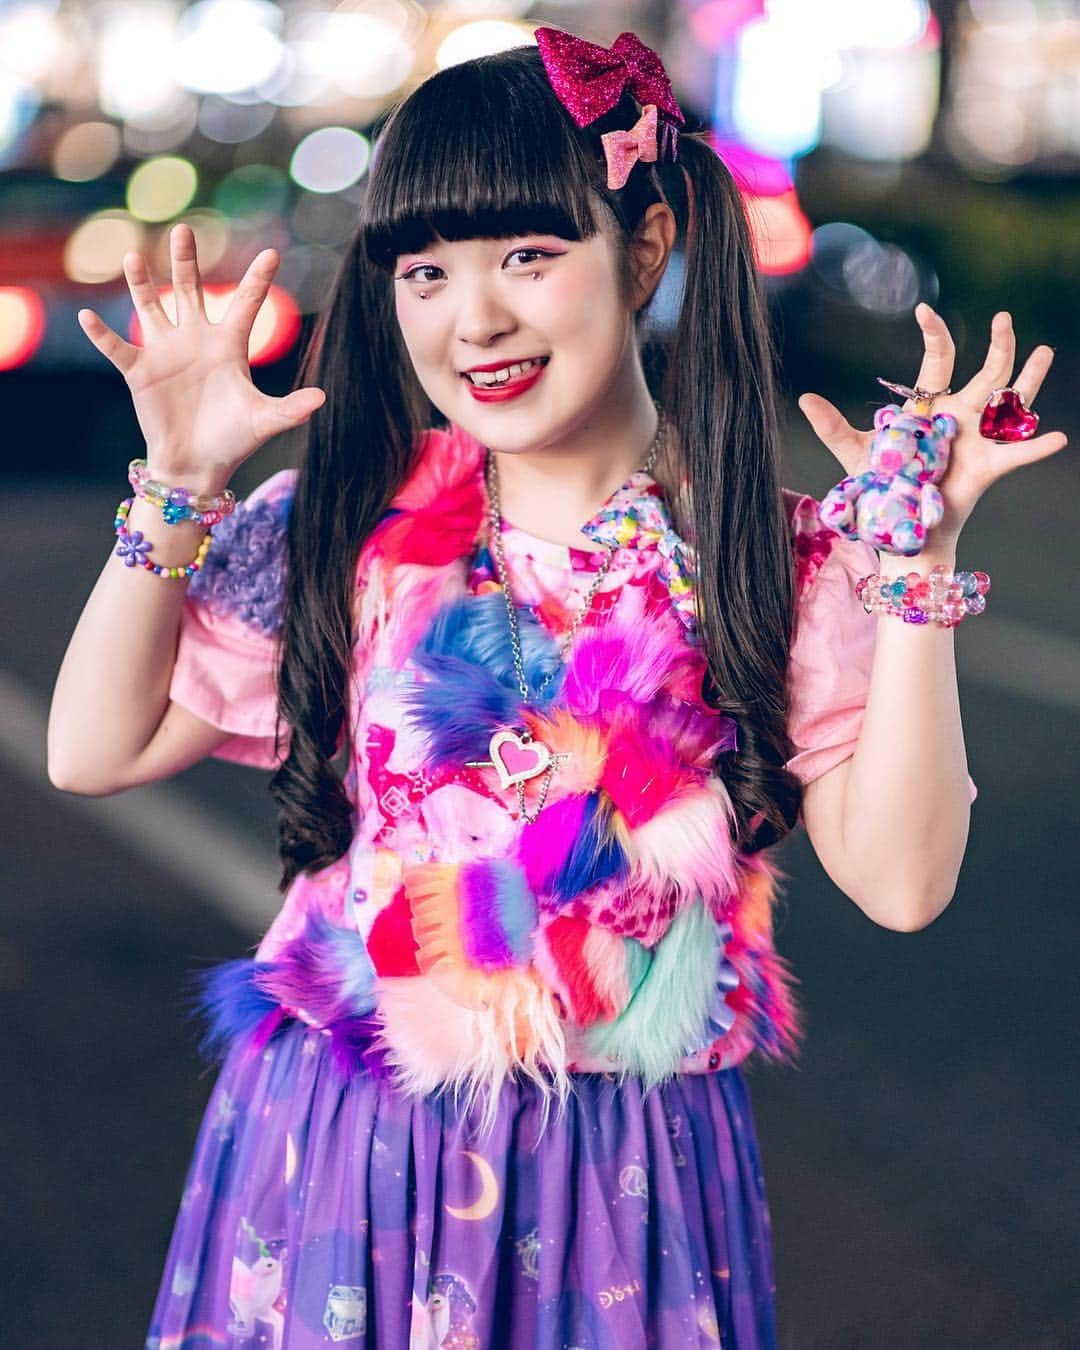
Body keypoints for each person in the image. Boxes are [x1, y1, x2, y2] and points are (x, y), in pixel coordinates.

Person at [48, 27, 1065, 1350]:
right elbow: (92, 745)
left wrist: (915, 573)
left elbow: (907, 881)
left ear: (642, 251)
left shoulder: (772, 559)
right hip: (347, 1145)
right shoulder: (352, 525)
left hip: (624, 1176)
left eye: (529, 255)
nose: (474, 318)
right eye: (428, 270)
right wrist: (176, 488)